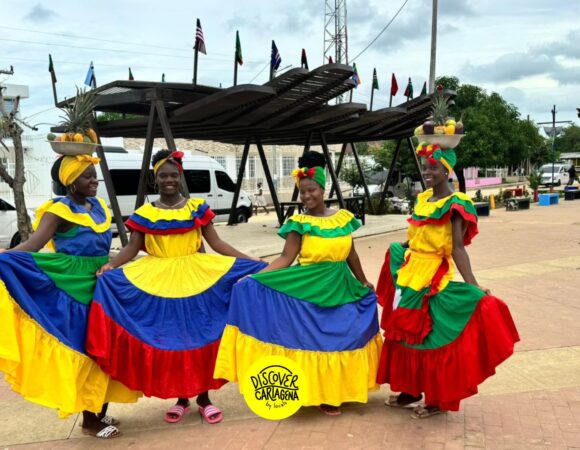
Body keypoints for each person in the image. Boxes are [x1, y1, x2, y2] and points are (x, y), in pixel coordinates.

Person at [86, 150, 266, 425]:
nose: (168, 180)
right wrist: (112, 266)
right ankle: (182, 399)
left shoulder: (197, 208)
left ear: (180, 177)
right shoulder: (145, 213)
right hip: (158, 283)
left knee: (200, 337)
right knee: (173, 339)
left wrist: (249, 260)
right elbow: (133, 247)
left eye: (173, 175)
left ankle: (204, 398)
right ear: (154, 179)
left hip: (197, 280)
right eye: (163, 175)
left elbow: (217, 244)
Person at [215, 151, 382, 416]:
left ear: (322, 188)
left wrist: (363, 280)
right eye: (302, 192)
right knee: (315, 342)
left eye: (311, 190)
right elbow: (286, 257)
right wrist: (257, 278)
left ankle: (337, 391)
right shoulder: (298, 223)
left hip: (341, 286)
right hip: (308, 289)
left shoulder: (343, 218)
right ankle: (320, 395)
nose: (306, 196)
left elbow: (351, 253)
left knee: (345, 336)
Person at [0, 155, 140, 439]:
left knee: (106, 347)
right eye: (87, 176)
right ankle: (90, 420)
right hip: (71, 288)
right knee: (86, 349)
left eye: (94, 175)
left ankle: (99, 411)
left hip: (102, 285)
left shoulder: (99, 206)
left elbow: (103, 251)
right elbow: (33, 245)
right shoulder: (57, 211)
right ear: (69, 181)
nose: (94, 181)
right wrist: (5, 257)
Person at [376, 142, 520, 419]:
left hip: (433, 277)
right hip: (409, 274)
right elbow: (415, 236)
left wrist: (473, 285)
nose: (427, 172)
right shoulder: (423, 199)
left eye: (434, 168)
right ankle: (410, 390)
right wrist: (401, 250)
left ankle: (437, 399)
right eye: (426, 167)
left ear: (447, 171)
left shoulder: (457, 204)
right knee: (403, 333)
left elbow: (457, 248)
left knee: (433, 335)